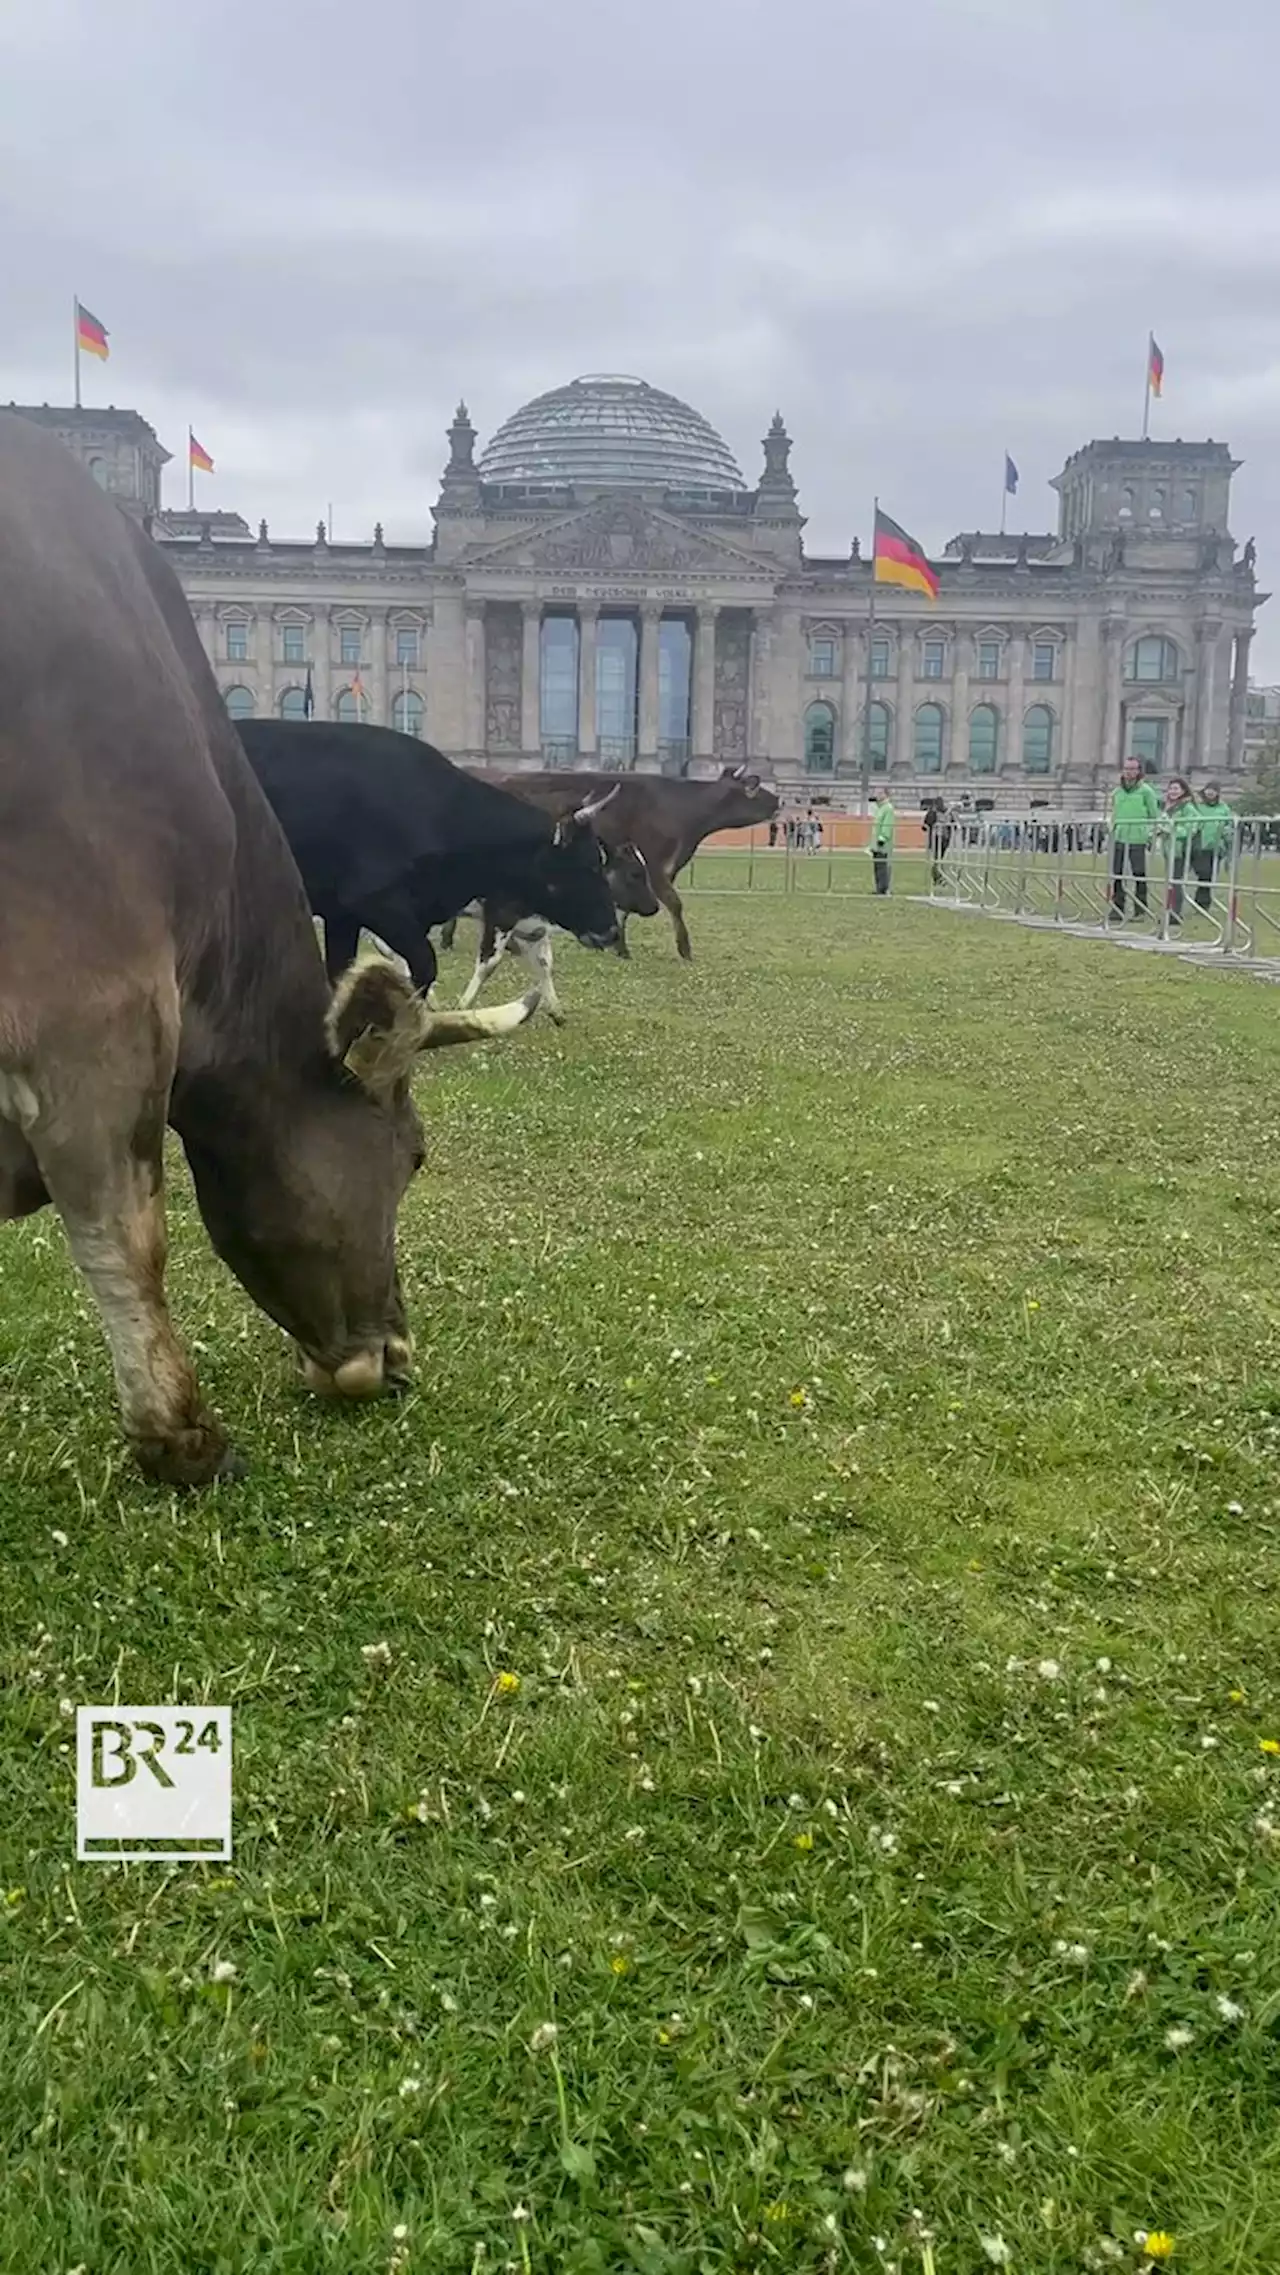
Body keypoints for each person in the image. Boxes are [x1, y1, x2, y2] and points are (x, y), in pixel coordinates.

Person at [1109, 756, 1160, 921]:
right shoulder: (1117, 792)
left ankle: (1140, 909)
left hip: (1137, 838)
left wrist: (1151, 834)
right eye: (1126, 768)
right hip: (1119, 837)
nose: (1129, 772)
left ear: (1138, 771)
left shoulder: (1146, 791)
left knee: (1139, 875)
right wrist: (1112, 828)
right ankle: (1117, 908)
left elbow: (1154, 814)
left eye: (1132, 769)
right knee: (1117, 874)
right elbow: (1114, 813)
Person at [1161, 775, 1198, 926]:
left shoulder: (1188, 808)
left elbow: (1191, 828)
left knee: (1176, 883)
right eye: (1170, 788)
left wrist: (1171, 829)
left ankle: (1175, 913)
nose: (1172, 791)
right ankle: (1169, 912)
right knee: (1170, 883)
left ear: (1184, 790)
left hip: (1180, 850)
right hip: (1169, 849)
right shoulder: (1169, 807)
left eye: (1176, 788)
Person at [1192, 781, 1233, 910]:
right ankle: (1201, 901)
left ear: (1217, 793)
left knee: (1208, 875)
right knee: (1203, 873)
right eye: (1208, 789)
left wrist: (1227, 840)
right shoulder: (1198, 807)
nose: (1210, 792)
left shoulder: (1224, 809)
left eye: (1213, 790)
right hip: (1199, 845)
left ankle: (1203, 902)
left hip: (1215, 847)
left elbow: (1228, 825)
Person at [870, 789, 895, 895]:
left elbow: (887, 824)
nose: (877, 795)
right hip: (876, 842)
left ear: (886, 795)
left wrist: (882, 838)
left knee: (883, 866)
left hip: (883, 843)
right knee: (877, 866)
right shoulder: (879, 808)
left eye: (880, 793)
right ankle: (879, 887)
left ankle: (883, 888)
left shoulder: (888, 808)